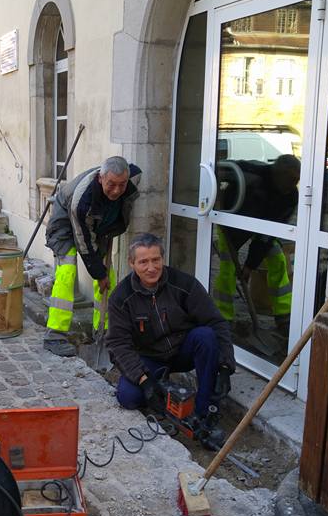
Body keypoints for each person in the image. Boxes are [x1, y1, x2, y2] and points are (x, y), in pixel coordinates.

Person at [106, 233, 235, 449]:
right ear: (131, 263)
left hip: (183, 350)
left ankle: (205, 414)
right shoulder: (121, 297)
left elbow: (216, 322)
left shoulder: (184, 284)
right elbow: (118, 345)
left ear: (163, 258)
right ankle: (161, 393)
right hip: (150, 357)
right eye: (143, 262)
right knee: (128, 397)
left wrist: (224, 366)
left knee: (205, 336)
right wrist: (144, 380)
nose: (151, 268)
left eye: (156, 260)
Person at [42, 156, 141, 357]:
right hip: (65, 224)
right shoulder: (83, 199)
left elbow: (126, 199)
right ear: (100, 178)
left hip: (97, 226)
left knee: (108, 277)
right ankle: (55, 334)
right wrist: (98, 272)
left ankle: (103, 329)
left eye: (121, 185)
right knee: (67, 271)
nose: (116, 190)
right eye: (111, 184)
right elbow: (83, 241)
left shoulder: (133, 178)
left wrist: (102, 273)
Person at [213, 154, 301, 334]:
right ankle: (224, 318)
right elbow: (218, 169)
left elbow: (267, 235)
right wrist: (216, 195)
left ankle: (284, 315)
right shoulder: (251, 173)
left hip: (260, 227)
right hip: (231, 223)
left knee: (278, 260)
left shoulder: (290, 197)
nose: (293, 184)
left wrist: (250, 266)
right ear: (277, 174)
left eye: (296, 180)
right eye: (290, 179)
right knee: (227, 267)